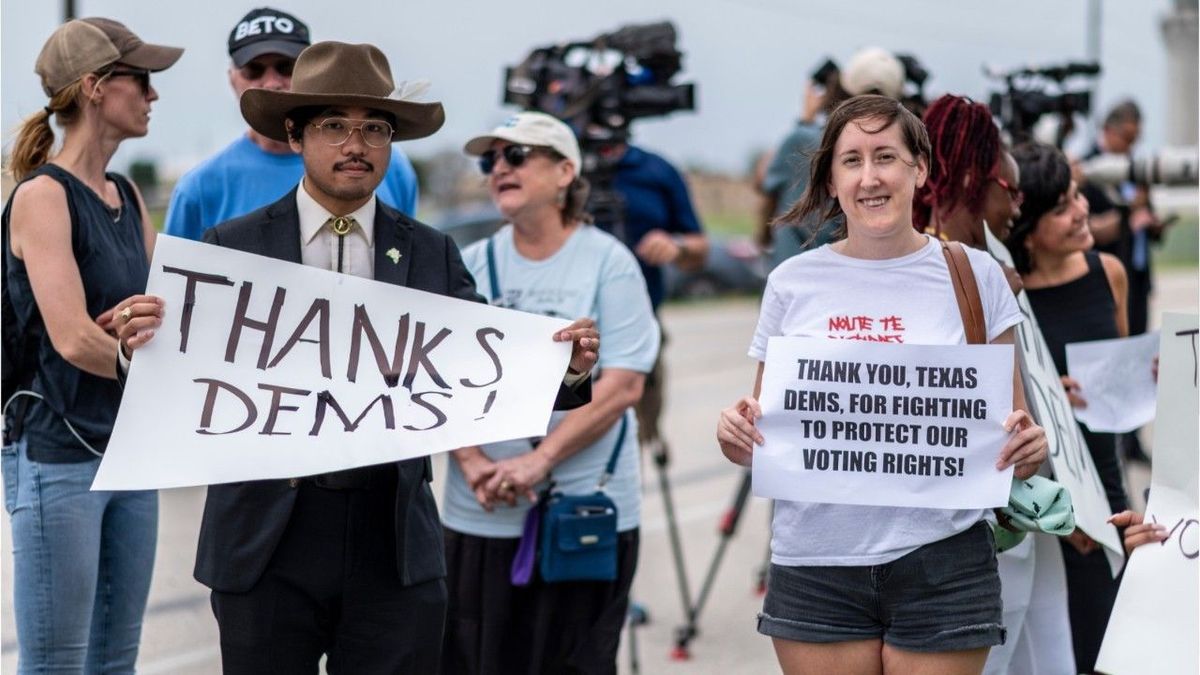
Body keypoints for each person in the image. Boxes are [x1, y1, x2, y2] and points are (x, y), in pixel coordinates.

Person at [118, 42, 598, 673]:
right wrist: (136, 352)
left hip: (390, 541)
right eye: (335, 126)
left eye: (375, 128)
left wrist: (564, 370)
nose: (357, 144)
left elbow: (484, 372)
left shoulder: (431, 253)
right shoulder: (230, 247)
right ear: (295, 136)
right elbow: (178, 375)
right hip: (265, 541)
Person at [715, 95, 1048, 675]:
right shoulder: (792, 283)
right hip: (816, 567)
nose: (870, 177)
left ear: (919, 169)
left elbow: (1013, 437)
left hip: (944, 565)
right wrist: (734, 434)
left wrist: (1028, 450)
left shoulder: (977, 275)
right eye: (851, 161)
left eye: (885, 156)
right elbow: (764, 428)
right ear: (832, 178)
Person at [440, 112, 660, 674]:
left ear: (565, 171)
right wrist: (471, 463)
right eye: (491, 160)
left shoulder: (608, 261)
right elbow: (438, 379)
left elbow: (623, 385)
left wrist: (538, 463)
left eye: (516, 156)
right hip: (482, 508)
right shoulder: (472, 262)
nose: (498, 169)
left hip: (581, 511)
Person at [1, 17, 180, 673]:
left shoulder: (128, 196)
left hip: (130, 454)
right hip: (58, 458)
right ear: (96, 87)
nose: (153, 95)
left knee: (115, 660)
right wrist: (142, 357)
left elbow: (173, 313)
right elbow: (75, 337)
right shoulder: (43, 197)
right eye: (143, 80)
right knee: (57, 661)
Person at [915, 94, 1072, 675]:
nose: (1016, 206)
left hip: (1017, 519)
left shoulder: (996, 259)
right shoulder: (921, 270)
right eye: (1012, 191)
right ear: (969, 179)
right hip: (958, 536)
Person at [1005, 142, 1131, 675]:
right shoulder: (1006, 296)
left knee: (1116, 647)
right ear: (1026, 227)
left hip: (1108, 487)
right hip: (1048, 506)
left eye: (1076, 196)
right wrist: (1045, 391)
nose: (1082, 212)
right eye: (1061, 207)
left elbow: (1119, 384)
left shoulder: (1110, 272)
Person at [162, 7, 420, 241]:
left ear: (311, 75)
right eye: (254, 70)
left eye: (286, 67)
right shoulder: (199, 188)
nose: (272, 82)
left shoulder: (390, 168)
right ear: (232, 79)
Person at [602, 140, 706, 446]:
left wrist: (676, 247)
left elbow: (700, 249)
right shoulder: (553, 164)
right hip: (566, 328)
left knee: (632, 443)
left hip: (639, 327)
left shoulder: (656, 170)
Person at [760, 47, 902, 268]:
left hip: (793, 274)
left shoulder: (802, 140)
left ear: (840, 89)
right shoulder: (898, 153)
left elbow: (764, 182)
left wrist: (805, 120)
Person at [1079, 99, 1162, 466]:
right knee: (1114, 359)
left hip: (1138, 277)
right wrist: (1129, 214)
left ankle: (1132, 440)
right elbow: (1092, 231)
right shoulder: (1089, 168)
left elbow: (1145, 216)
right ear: (1111, 131)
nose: (1132, 146)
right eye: (1128, 138)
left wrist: (1151, 221)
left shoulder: (1135, 169)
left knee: (1138, 360)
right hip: (1107, 281)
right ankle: (1112, 438)